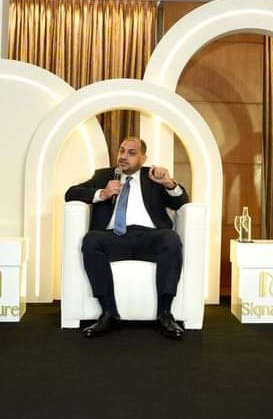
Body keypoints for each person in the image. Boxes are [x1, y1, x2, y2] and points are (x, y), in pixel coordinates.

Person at [65, 136, 189, 339]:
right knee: (91, 240)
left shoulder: (153, 177)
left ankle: (165, 313)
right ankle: (109, 313)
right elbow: (70, 193)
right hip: (114, 237)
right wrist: (102, 193)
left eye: (131, 153)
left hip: (150, 237)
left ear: (143, 158)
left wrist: (168, 183)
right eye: (122, 151)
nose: (123, 156)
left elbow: (181, 201)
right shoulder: (104, 175)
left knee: (171, 239)